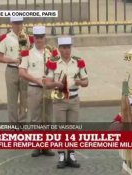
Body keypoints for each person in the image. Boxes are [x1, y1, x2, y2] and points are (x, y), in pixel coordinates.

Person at [45, 36, 88, 169]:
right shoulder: (53, 62)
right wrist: (55, 83)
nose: (66, 50)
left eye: (68, 47)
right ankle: (62, 155)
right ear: (59, 49)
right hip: (59, 100)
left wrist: (78, 82)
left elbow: (86, 81)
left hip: (74, 99)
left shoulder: (78, 62)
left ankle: (72, 154)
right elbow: (47, 83)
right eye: (64, 48)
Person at [18, 26, 55, 157]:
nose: (39, 40)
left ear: (45, 38)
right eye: (37, 38)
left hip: (47, 89)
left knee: (48, 118)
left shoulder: (50, 53)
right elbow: (22, 72)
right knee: (35, 118)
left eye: (42, 37)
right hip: (34, 88)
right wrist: (37, 80)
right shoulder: (27, 53)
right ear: (34, 39)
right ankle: (36, 146)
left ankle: (46, 146)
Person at [0, 16, 30, 123]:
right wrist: (13, 60)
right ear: (11, 24)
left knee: (25, 100)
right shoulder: (5, 38)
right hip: (12, 70)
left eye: (20, 23)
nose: (18, 26)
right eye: (16, 23)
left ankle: (23, 124)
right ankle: (13, 125)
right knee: (12, 101)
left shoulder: (28, 37)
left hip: (24, 70)